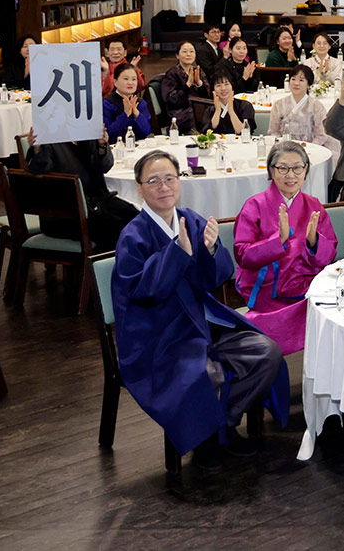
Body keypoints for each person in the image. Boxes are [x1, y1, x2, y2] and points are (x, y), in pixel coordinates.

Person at [111, 150, 288, 469]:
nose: (163, 186)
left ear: (179, 181)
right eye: (153, 180)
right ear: (139, 188)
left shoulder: (189, 219)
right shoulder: (132, 236)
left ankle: (222, 424)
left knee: (265, 352)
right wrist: (176, 254)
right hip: (157, 333)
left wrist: (212, 249)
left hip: (199, 321)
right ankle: (206, 438)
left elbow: (216, 277)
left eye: (169, 178)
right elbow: (144, 293)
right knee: (203, 372)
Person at [233, 141, 337, 354]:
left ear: (306, 171)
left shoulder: (314, 205)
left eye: (298, 167)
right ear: (272, 170)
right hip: (270, 289)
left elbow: (329, 254)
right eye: (283, 168)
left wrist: (313, 242)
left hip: (308, 288)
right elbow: (242, 255)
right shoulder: (254, 205)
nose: (291, 175)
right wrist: (276, 241)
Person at [27, 128, 140, 253]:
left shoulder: (88, 134)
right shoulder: (49, 137)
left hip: (98, 202)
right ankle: (99, 269)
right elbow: (37, 170)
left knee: (137, 218)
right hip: (64, 212)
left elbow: (105, 166)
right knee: (115, 228)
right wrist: (37, 149)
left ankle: (145, 266)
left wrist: (102, 144)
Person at [269, 64, 339, 160]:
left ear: (309, 84)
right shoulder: (279, 105)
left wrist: (309, 149)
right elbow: (273, 132)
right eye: (293, 79)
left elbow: (321, 135)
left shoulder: (316, 106)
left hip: (311, 150)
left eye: (301, 80)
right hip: (284, 150)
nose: (296, 83)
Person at [161, 42, 211, 133]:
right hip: (180, 113)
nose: (188, 54)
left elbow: (208, 95)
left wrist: (199, 83)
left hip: (199, 110)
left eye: (191, 51)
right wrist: (187, 85)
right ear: (177, 55)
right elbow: (172, 100)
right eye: (184, 51)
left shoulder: (198, 71)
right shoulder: (172, 73)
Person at [103, 62, 152, 141]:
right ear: (115, 82)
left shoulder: (140, 103)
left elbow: (146, 132)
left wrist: (136, 113)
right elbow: (108, 133)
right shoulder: (107, 104)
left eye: (134, 79)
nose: (130, 83)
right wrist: (125, 114)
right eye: (126, 79)